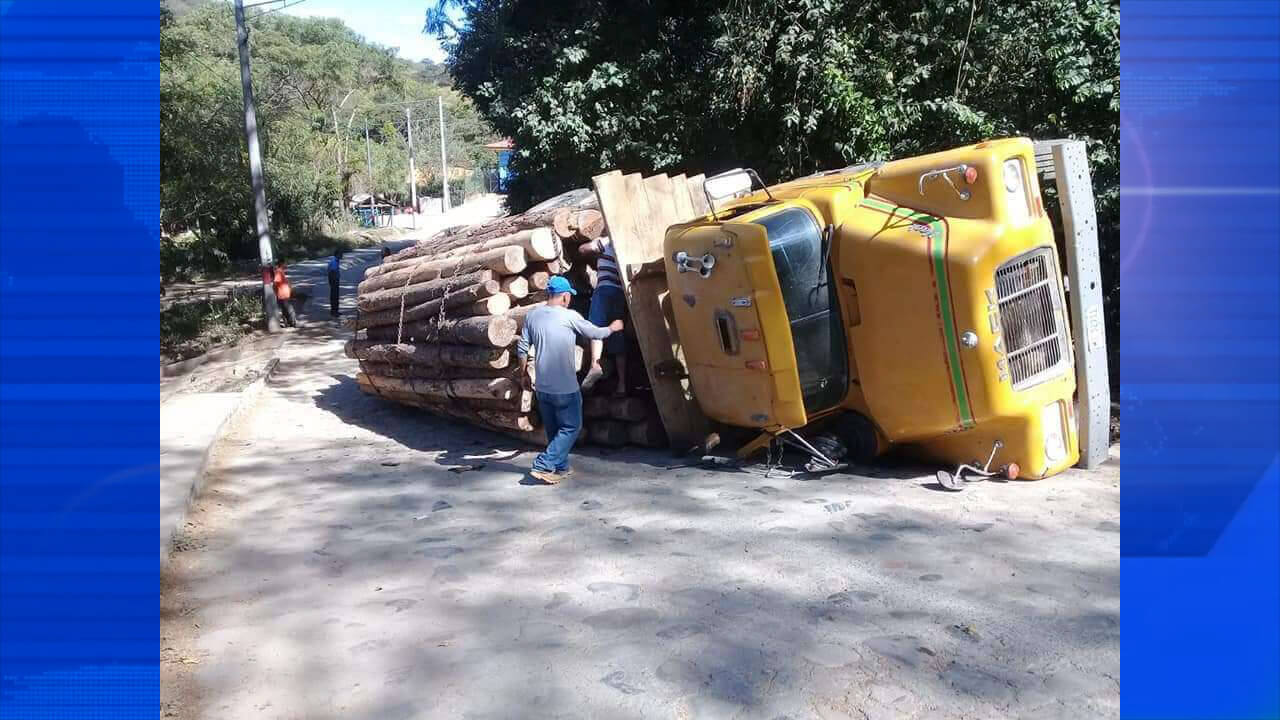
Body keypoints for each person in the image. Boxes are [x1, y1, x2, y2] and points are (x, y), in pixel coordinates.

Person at [517, 276, 623, 484]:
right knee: (571, 427)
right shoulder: (570, 316)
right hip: (565, 388)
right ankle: (543, 464)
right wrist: (613, 327)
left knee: (554, 430)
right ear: (565, 297)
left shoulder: (532, 316)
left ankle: (561, 467)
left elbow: (522, 349)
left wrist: (523, 375)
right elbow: (594, 332)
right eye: (569, 297)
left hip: (543, 387)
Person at [581, 236, 628, 396]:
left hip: (604, 289)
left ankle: (595, 364)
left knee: (596, 327)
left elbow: (583, 249)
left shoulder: (608, 240)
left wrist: (595, 243)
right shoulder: (628, 243)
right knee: (618, 334)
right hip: (621, 293)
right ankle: (622, 384)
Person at [272, 261, 297, 327]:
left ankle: (290, 323)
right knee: (287, 308)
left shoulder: (281, 271)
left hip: (284, 293)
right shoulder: (279, 272)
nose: (287, 264)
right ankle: (292, 322)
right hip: (282, 294)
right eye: (285, 263)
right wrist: (275, 292)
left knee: (285, 308)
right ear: (282, 264)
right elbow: (275, 283)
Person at [327, 248, 344, 318]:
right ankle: (334, 311)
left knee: (335, 296)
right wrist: (335, 279)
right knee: (334, 296)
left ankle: (335, 310)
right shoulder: (334, 261)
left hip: (333, 279)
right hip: (334, 280)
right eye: (341, 254)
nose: (342, 256)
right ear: (337, 254)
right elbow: (332, 271)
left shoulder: (336, 260)